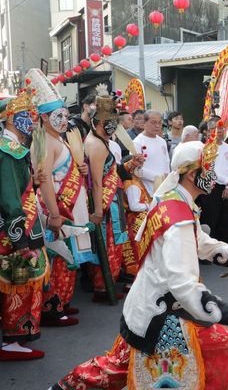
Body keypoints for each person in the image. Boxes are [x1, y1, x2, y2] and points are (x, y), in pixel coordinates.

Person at [51, 140, 228, 390]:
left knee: (116, 367)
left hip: (145, 304)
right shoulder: (178, 217)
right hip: (164, 315)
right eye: (210, 170)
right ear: (194, 174)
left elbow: (196, 237)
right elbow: (182, 283)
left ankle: (65, 386)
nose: (214, 176)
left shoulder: (171, 197)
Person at [27, 68, 91, 327]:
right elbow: (44, 181)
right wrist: (54, 213)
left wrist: (82, 169)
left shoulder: (59, 140)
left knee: (69, 257)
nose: (64, 120)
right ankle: (53, 306)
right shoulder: (43, 142)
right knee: (60, 257)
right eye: (58, 116)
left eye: (65, 115)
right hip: (57, 209)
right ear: (44, 117)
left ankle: (63, 301)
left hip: (70, 207)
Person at [0, 85, 49, 361]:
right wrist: (20, 240)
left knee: (25, 283)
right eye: (24, 114)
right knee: (19, 283)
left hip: (21, 225)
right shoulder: (8, 151)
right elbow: (9, 198)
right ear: (9, 118)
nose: (30, 120)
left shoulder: (15, 149)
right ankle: (13, 340)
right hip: (15, 230)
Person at [85, 87, 144, 303]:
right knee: (108, 245)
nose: (110, 126)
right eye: (106, 122)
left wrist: (130, 164)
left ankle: (105, 285)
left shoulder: (103, 142)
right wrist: (99, 210)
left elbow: (115, 170)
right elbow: (98, 182)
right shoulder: (97, 145)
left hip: (112, 198)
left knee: (113, 245)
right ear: (96, 123)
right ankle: (103, 287)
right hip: (106, 204)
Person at [198, 117, 228, 243]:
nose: (218, 131)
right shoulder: (205, 148)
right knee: (210, 219)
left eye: (220, 128)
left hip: (227, 188)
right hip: (211, 187)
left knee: (226, 219)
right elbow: (209, 170)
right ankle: (208, 250)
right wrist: (227, 181)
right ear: (208, 132)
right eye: (214, 129)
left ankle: (224, 249)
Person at [121, 155, 151, 282]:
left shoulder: (135, 182)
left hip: (137, 219)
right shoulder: (132, 184)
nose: (142, 170)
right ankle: (132, 277)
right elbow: (134, 206)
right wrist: (148, 206)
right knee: (136, 249)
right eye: (139, 167)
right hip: (135, 221)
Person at [132, 110, 170, 195]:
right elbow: (136, 169)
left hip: (165, 188)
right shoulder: (137, 142)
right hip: (147, 190)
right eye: (153, 122)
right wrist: (158, 177)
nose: (157, 126)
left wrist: (167, 179)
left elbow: (166, 162)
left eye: (160, 123)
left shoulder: (162, 141)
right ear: (144, 123)